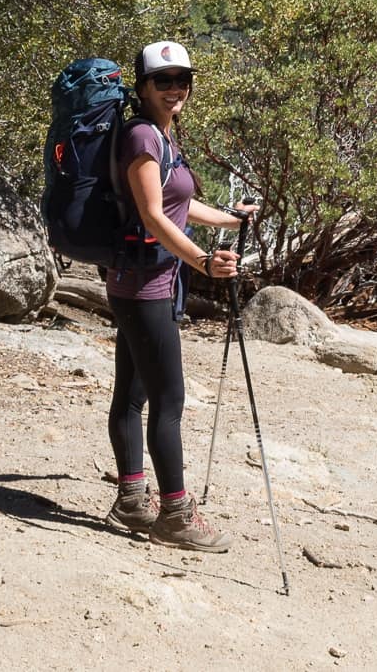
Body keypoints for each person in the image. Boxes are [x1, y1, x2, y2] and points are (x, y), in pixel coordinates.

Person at [103, 40, 244, 550]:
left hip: (139, 281)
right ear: (142, 87)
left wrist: (230, 218)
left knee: (134, 394)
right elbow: (152, 216)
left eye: (182, 79)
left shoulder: (161, 136)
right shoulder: (143, 137)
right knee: (168, 401)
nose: (175, 88)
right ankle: (175, 515)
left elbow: (179, 203)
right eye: (163, 80)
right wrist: (204, 262)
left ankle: (131, 499)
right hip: (146, 287)